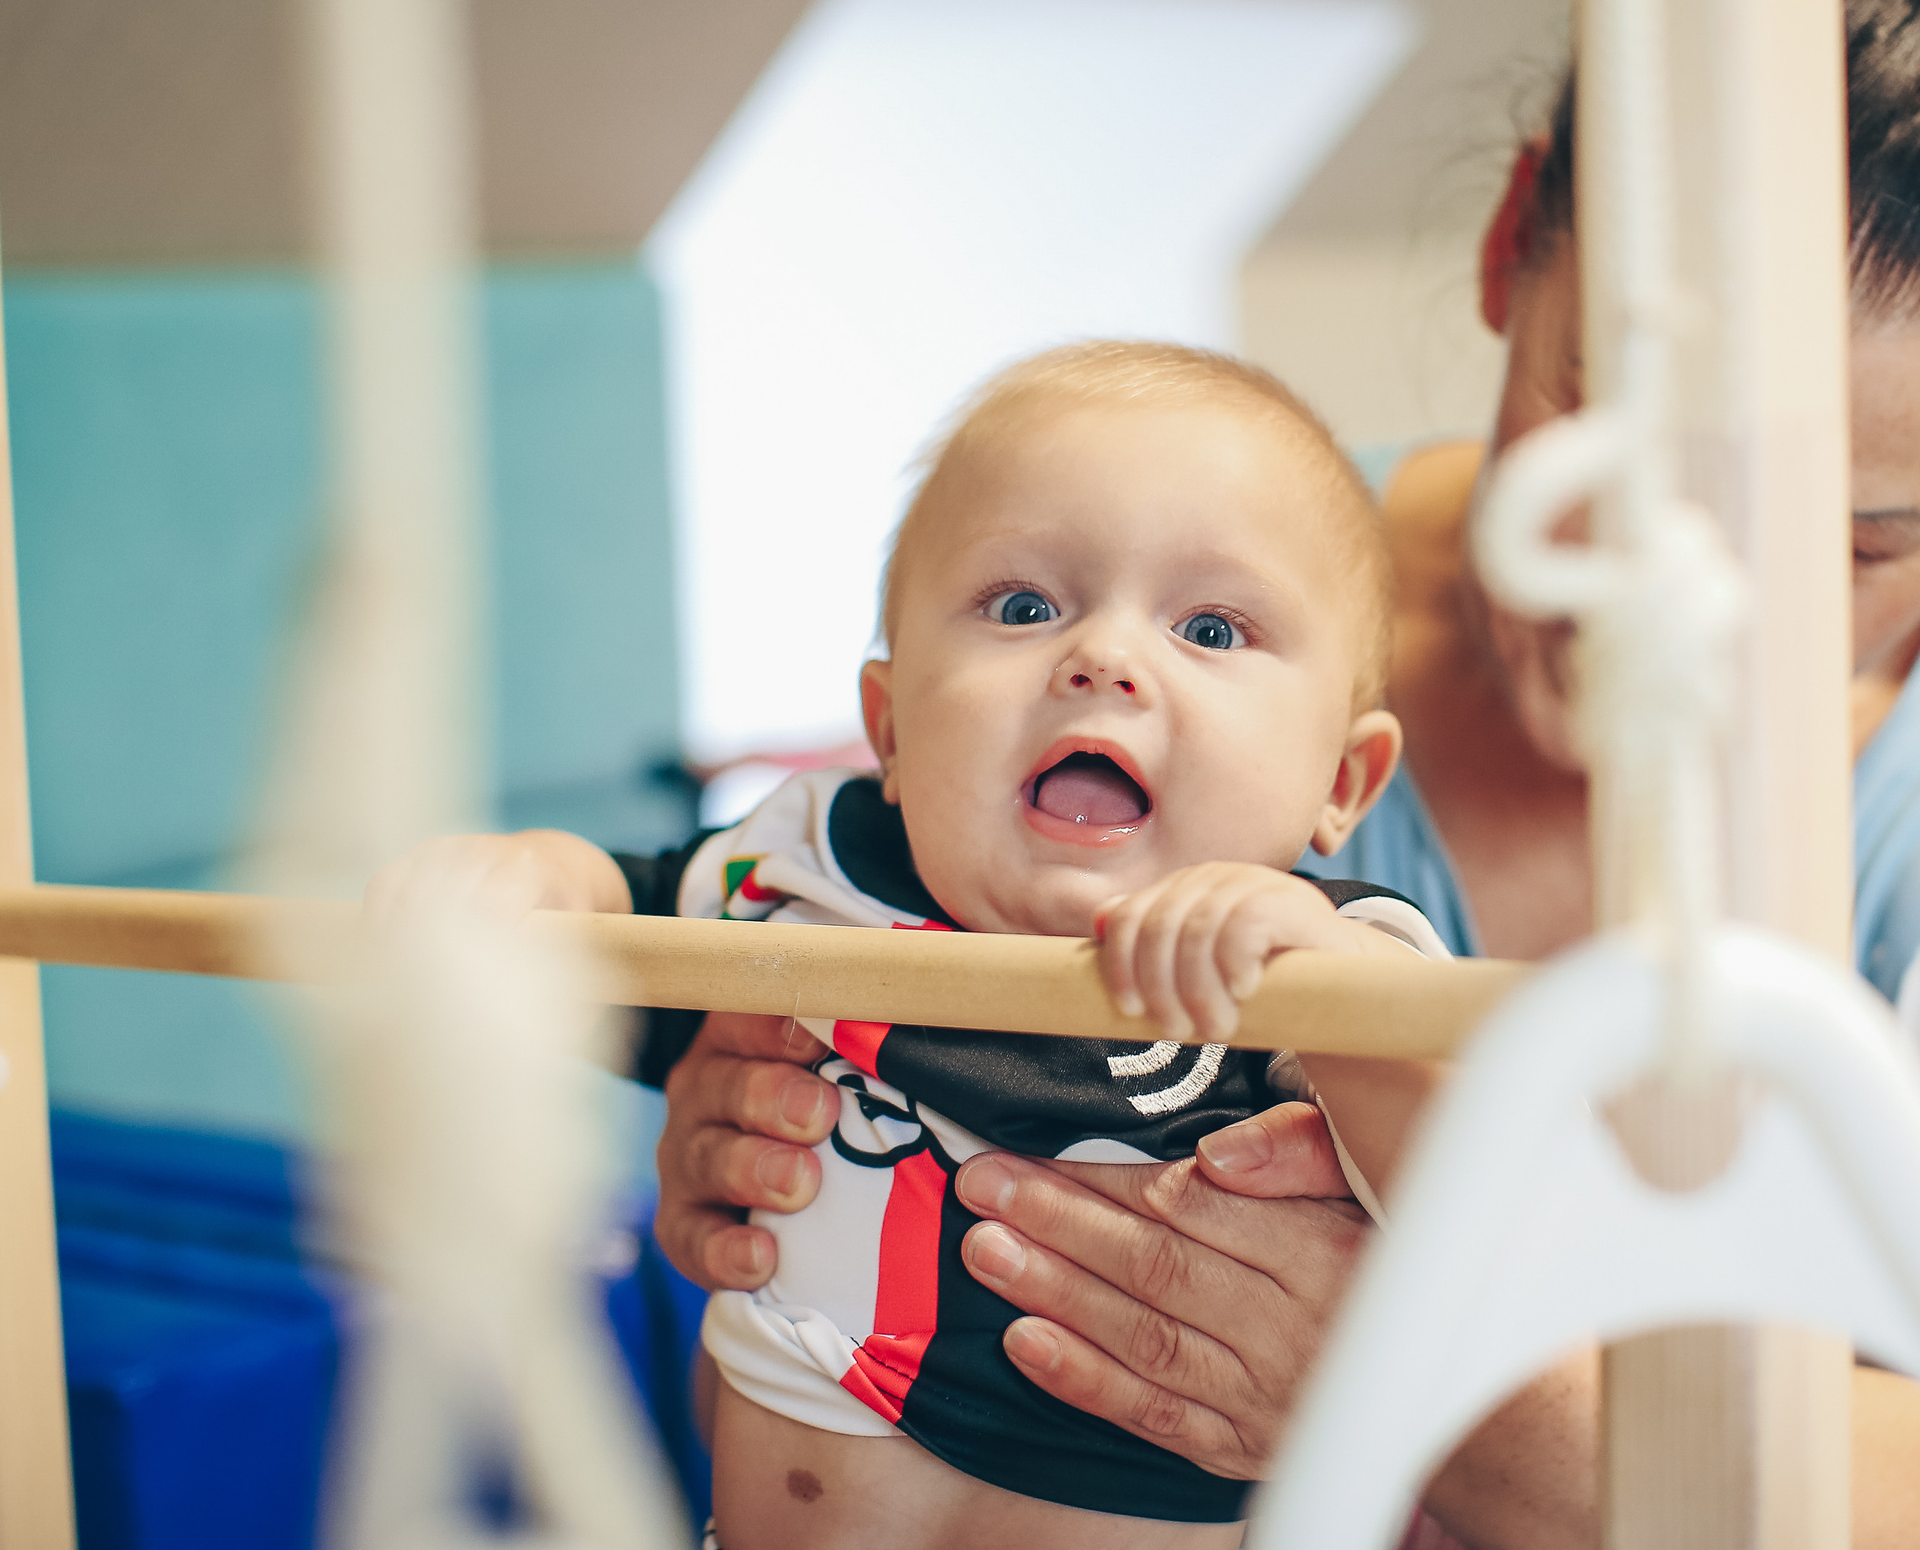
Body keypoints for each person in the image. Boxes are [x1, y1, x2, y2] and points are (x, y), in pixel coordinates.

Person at [638, 0, 1920, 1547]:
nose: (1695, 601)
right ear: (1510, 244)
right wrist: (771, 1147)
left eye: (1858, 545)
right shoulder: (1199, 595)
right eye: (1613, 459)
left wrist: (1422, 1387)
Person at [378, 342, 1452, 1550]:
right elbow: (616, 931)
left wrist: (1325, 994)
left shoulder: (1320, 958)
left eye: (1209, 627)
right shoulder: (805, 865)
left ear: (1341, 780)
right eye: (1023, 607)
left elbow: (1466, 1197)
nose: (1103, 659)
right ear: (887, 731)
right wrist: (530, 878)